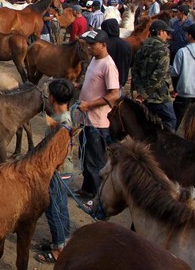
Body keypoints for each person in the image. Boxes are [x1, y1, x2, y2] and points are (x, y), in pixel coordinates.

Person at [34, 79, 75, 265]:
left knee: (54, 210)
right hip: (64, 171)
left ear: (50, 98)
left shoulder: (61, 124)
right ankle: (62, 241)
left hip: (57, 172)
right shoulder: (63, 118)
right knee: (61, 207)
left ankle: (59, 250)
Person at [75, 30, 120, 199]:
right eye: (88, 44)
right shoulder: (95, 60)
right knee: (85, 156)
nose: (89, 48)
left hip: (97, 121)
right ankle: (87, 189)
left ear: (103, 45)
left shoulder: (109, 65)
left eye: (92, 44)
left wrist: (90, 105)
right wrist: (80, 87)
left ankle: (97, 196)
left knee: (95, 161)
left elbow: (114, 95)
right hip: (86, 119)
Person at [132, 20, 177, 131]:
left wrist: (141, 91)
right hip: (159, 97)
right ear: (160, 32)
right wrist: (145, 93)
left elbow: (135, 71)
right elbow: (159, 75)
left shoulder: (142, 48)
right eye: (166, 32)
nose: (167, 35)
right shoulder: (163, 50)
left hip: (144, 97)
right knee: (170, 120)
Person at [101, 18, 132, 90]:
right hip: (120, 81)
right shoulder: (126, 45)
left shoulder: (103, 45)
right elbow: (128, 63)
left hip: (104, 81)